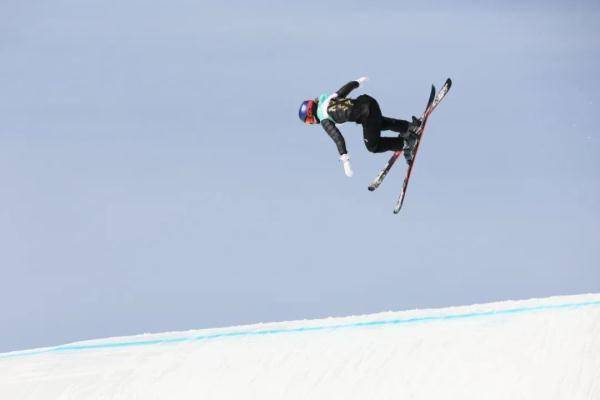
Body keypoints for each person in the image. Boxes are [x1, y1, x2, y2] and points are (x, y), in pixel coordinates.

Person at [298, 77, 422, 177]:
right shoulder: (328, 99)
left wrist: (345, 159)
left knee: (372, 146)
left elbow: (337, 138)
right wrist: (357, 82)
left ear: (311, 114)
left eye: (309, 121)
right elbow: (343, 90)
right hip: (368, 101)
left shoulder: (324, 119)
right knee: (378, 124)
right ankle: (409, 127)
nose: (312, 123)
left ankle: (406, 144)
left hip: (366, 115)